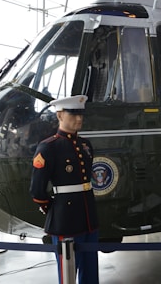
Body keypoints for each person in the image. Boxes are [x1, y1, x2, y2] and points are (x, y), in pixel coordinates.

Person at [30, 95, 99, 284]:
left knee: (91, 270)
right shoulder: (48, 147)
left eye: (81, 114)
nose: (79, 119)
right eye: (73, 114)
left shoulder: (85, 145)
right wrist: (53, 208)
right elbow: (37, 190)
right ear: (60, 115)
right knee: (68, 272)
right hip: (65, 218)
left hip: (88, 217)